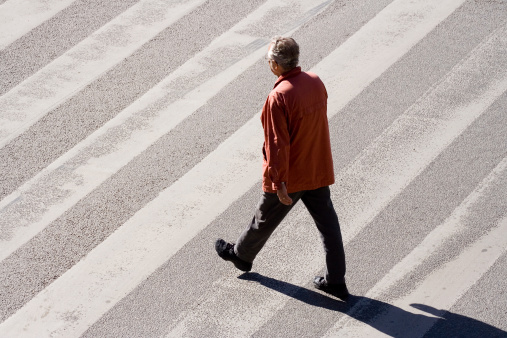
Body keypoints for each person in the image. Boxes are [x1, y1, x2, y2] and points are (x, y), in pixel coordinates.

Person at [215, 36, 348, 299]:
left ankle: (241, 256)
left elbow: (277, 144)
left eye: (268, 61)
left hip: (292, 174)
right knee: (329, 227)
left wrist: (279, 183)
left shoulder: (278, 97)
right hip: (317, 168)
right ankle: (336, 281)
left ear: (276, 65)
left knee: (264, 217)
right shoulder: (315, 82)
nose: (268, 64)